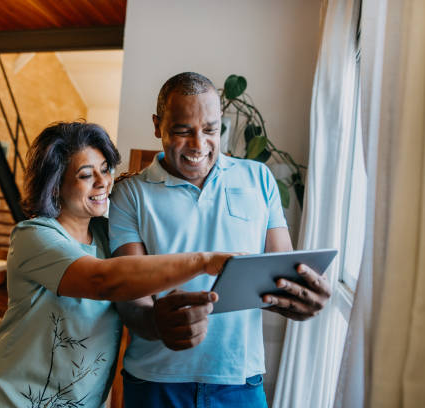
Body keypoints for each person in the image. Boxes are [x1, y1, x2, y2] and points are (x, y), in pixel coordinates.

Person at [0, 122, 236, 408]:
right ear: (55, 185)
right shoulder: (34, 236)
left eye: (105, 169)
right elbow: (101, 281)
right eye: (85, 175)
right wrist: (204, 261)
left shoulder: (109, 234)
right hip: (8, 398)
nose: (103, 181)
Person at [108, 72, 332, 407]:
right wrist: (155, 321)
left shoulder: (259, 179)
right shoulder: (130, 194)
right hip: (156, 381)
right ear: (158, 126)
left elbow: (280, 273)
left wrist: (299, 299)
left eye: (211, 129)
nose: (199, 145)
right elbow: (129, 293)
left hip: (239, 381)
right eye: (183, 131)